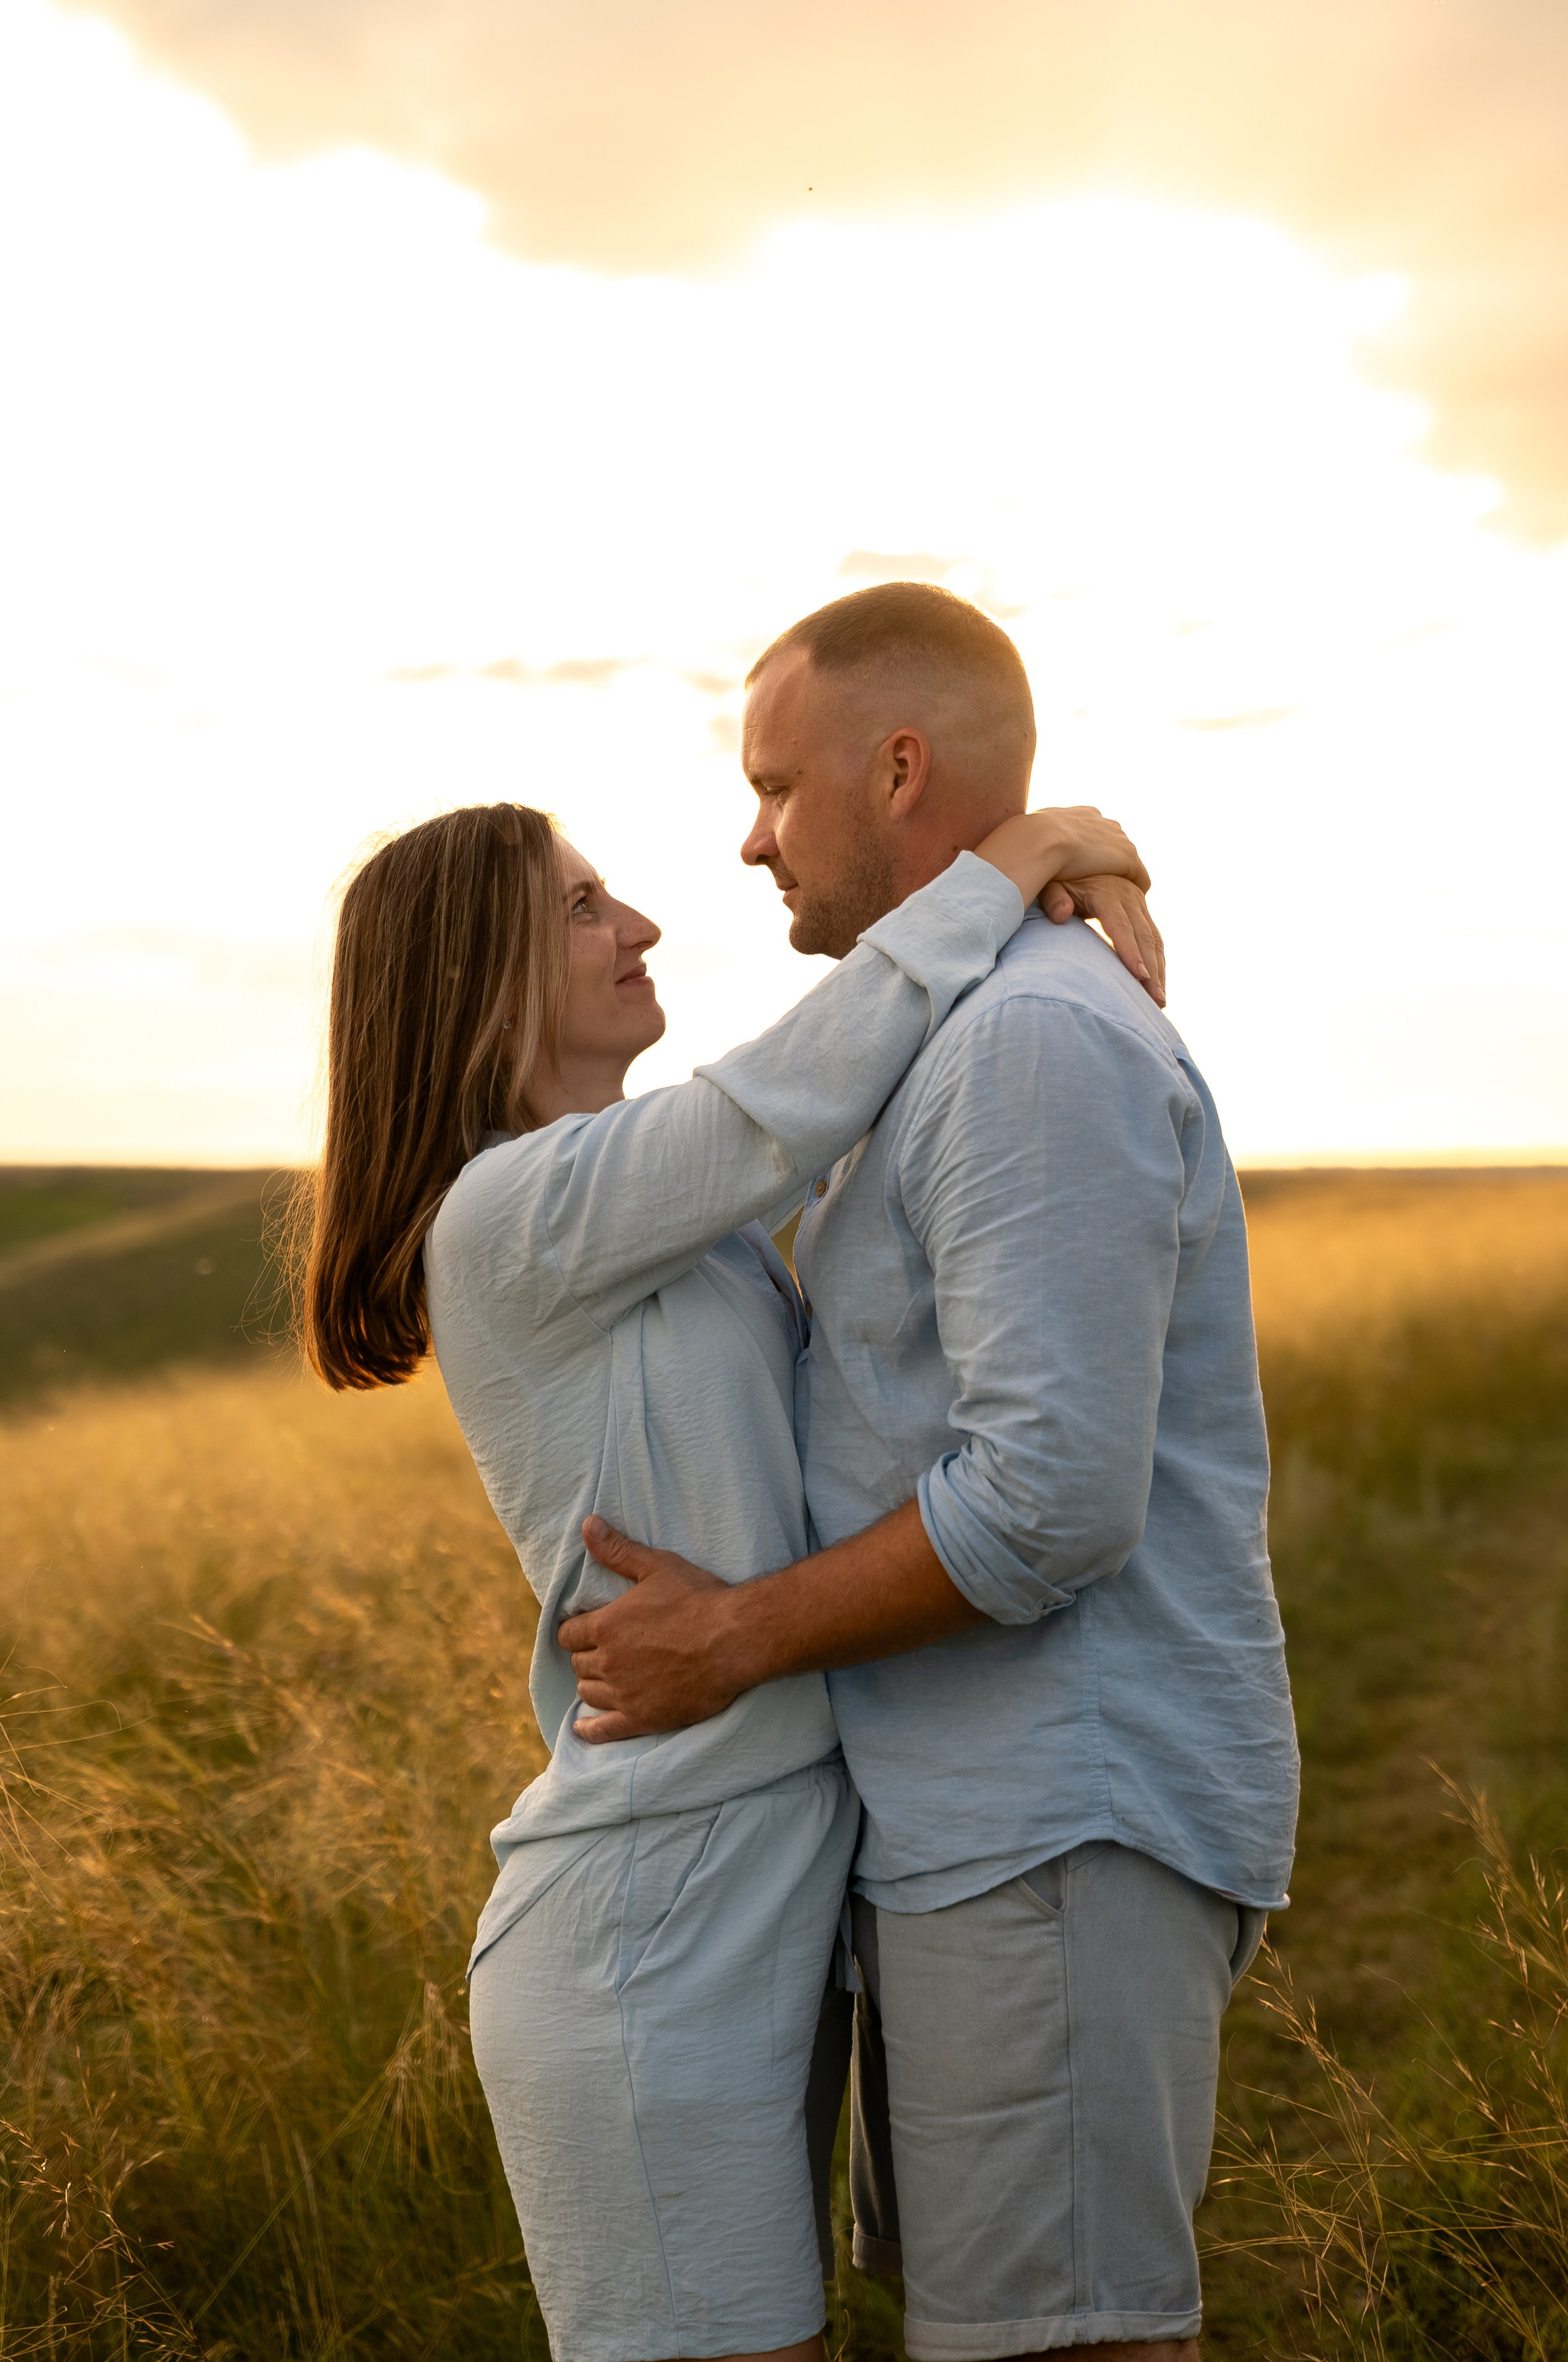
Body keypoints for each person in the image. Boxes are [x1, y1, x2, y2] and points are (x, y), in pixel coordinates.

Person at [299, 787, 1160, 2362]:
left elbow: (853, 1113)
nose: (635, 926)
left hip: (763, 1900)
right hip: (647, 1928)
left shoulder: (663, 1223)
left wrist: (1051, 888)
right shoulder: (509, 1213)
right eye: (579, 906)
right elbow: (790, 1094)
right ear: (468, 974)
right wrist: (1034, 850)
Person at [556, 582, 1301, 2362]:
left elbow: (1050, 1495)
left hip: (1057, 1816)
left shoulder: (1026, 1042)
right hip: (985, 1821)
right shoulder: (947, 1029)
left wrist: (734, 1634)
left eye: (773, 786)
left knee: (1066, 2345)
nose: (749, 840)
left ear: (899, 770)